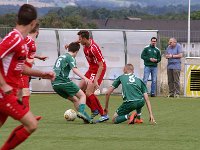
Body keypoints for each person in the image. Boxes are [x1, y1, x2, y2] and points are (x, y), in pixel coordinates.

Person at [0, 4, 55, 150]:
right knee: (31, 124)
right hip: (4, 94)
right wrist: (4, 85)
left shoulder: (21, 41)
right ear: (33, 23)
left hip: (9, 93)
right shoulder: (14, 39)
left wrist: (43, 74)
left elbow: (21, 67)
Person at [52, 42, 93, 123]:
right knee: (82, 95)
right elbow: (75, 69)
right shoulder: (70, 57)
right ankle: (81, 112)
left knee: (75, 100)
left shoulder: (61, 56)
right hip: (63, 82)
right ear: (77, 51)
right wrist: (85, 78)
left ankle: (87, 119)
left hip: (55, 84)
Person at [77, 30, 109, 122]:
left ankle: (103, 114)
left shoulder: (93, 48)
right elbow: (78, 41)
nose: (79, 41)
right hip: (91, 69)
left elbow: (101, 65)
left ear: (84, 39)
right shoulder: (85, 42)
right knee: (79, 91)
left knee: (88, 92)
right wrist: (69, 45)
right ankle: (94, 110)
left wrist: (96, 80)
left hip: (98, 69)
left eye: (80, 39)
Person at [19, 22, 48, 112]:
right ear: (38, 31)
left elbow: (25, 53)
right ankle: (26, 116)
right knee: (25, 93)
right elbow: (20, 53)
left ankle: (25, 115)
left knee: (23, 93)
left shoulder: (29, 41)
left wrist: (38, 57)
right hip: (22, 71)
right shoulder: (28, 41)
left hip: (25, 71)